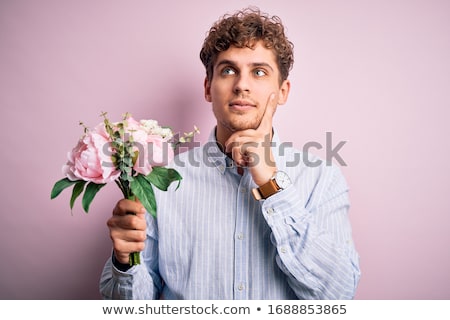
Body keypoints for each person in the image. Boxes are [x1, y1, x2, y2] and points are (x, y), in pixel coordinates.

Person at [100, 7, 360, 299]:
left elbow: (338, 296)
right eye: (228, 70)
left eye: (259, 72)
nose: (242, 85)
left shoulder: (322, 179)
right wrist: (124, 262)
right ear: (209, 87)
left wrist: (271, 184)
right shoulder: (159, 184)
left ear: (283, 91)